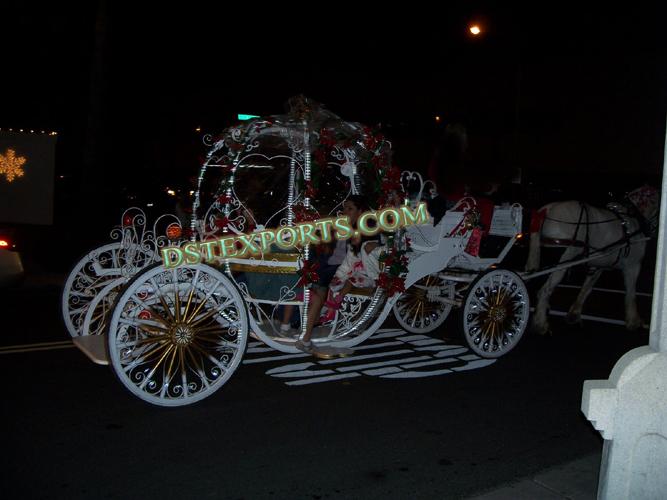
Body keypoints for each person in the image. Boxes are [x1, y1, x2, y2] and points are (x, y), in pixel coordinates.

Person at [295, 195, 382, 352]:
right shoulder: (348, 230)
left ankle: (308, 330)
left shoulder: (369, 232)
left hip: (366, 274)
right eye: (345, 208)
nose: (345, 212)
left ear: (360, 211)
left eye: (350, 209)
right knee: (321, 279)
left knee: (323, 282)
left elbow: (369, 255)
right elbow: (348, 258)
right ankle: (310, 324)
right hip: (345, 269)